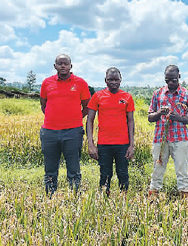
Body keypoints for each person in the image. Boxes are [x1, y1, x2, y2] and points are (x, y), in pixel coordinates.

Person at [40, 54, 90, 195]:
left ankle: (74, 197)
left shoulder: (80, 83)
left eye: (66, 63)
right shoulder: (46, 83)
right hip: (49, 132)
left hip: (73, 132)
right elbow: (44, 105)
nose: (63, 66)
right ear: (55, 66)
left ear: (70, 66)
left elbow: (87, 106)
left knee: (73, 168)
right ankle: (50, 197)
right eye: (60, 63)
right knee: (50, 169)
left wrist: (74, 118)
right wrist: (54, 118)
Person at [148, 65, 188, 198]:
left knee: (182, 171)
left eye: (173, 80)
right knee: (157, 170)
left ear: (179, 77)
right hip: (160, 139)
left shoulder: (187, 94)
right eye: (167, 80)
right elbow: (150, 118)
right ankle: (153, 198)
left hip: (180, 139)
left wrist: (179, 118)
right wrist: (159, 113)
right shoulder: (157, 94)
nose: (170, 83)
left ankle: (185, 199)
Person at [86, 67, 135, 195]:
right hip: (104, 144)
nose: (113, 82)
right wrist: (90, 144)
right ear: (105, 80)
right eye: (110, 80)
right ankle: (104, 202)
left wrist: (131, 145)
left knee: (123, 173)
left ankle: (124, 202)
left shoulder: (127, 97)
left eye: (116, 79)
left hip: (122, 143)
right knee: (105, 175)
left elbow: (131, 121)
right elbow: (89, 120)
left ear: (121, 80)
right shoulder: (98, 96)